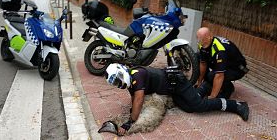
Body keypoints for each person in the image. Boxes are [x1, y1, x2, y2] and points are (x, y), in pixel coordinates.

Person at [105, 63, 249, 136]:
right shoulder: (131, 80)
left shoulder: (137, 75)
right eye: (116, 83)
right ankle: (206, 86)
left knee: (198, 105)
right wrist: (132, 111)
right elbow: (134, 97)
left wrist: (130, 122)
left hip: (177, 83)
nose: (119, 84)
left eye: (118, 80)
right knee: (188, 108)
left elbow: (138, 99)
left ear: (121, 71)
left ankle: (236, 105)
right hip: (171, 90)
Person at [196, 27, 249, 99]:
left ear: (210, 37)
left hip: (237, 69)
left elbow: (219, 75)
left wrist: (212, 96)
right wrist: (199, 82)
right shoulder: (202, 44)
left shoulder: (220, 50)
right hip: (225, 63)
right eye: (198, 38)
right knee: (198, 56)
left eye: (201, 39)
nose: (199, 41)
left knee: (212, 76)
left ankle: (228, 89)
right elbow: (203, 63)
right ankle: (211, 83)